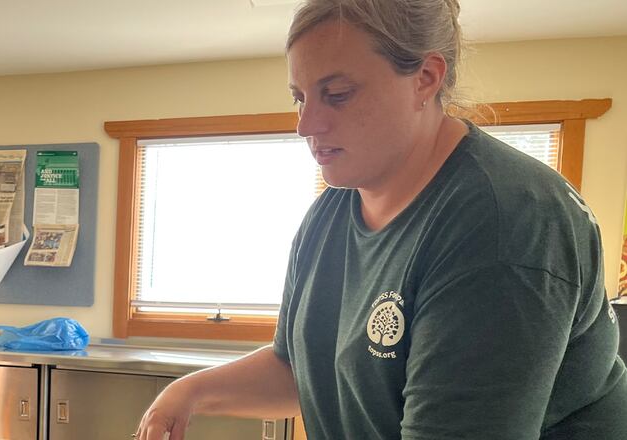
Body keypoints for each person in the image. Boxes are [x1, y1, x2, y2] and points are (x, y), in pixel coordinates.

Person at [134, 0, 627, 438]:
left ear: (426, 79)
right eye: (300, 97)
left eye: (338, 93)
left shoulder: (503, 224)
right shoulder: (330, 214)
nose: (306, 124)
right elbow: (301, 371)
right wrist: (189, 393)